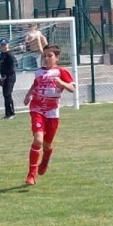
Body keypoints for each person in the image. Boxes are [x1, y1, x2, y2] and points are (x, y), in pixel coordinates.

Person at [22, 44, 75, 186]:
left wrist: (62, 83)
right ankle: (31, 175)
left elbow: (72, 88)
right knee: (38, 140)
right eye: (44, 56)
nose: (46, 58)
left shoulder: (61, 72)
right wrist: (28, 95)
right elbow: (35, 84)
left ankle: (45, 158)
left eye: (49, 56)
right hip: (37, 109)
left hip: (52, 112)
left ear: (57, 57)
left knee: (47, 145)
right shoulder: (39, 72)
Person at [0, 38, 16, 119]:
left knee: (8, 94)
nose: (3, 46)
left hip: (10, 77)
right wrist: (2, 77)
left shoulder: (9, 55)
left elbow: (11, 68)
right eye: (2, 45)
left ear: (8, 45)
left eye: (4, 44)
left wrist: (5, 76)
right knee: (5, 95)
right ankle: (7, 113)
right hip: (4, 77)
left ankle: (12, 113)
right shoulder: (2, 54)